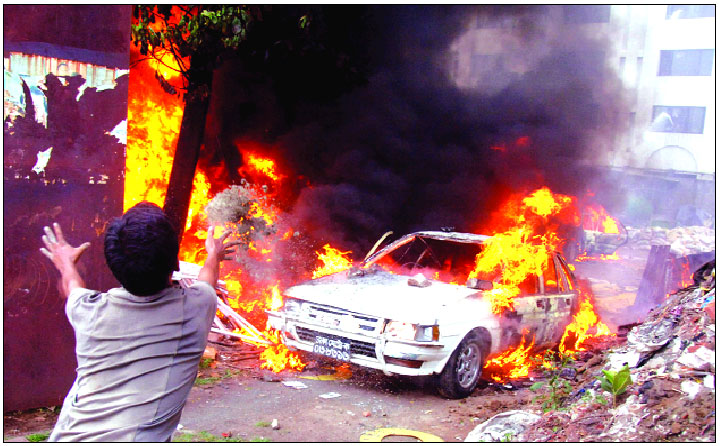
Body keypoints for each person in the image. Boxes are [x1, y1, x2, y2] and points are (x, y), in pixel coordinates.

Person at [40, 202, 238, 441]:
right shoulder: (195, 308)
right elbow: (207, 279)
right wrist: (213, 255)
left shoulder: (87, 312)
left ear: (113, 266)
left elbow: (73, 286)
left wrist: (66, 264)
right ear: (175, 265)